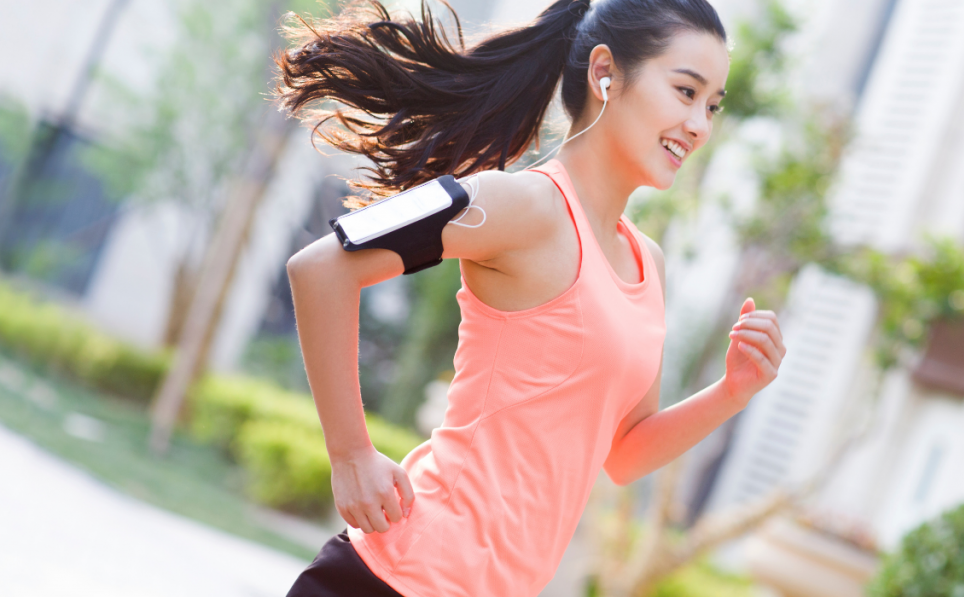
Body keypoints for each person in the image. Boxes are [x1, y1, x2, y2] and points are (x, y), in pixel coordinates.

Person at [275, 0, 787, 595]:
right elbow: (321, 270)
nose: (700, 124)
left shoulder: (649, 264)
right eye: (685, 91)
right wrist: (351, 455)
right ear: (606, 74)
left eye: (713, 105)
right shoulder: (523, 205)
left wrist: (733, 391)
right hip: (401, 577)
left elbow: (621, 453)